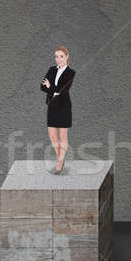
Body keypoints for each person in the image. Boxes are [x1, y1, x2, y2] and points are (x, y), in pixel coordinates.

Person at [40, 46, 76, 174]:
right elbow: (42, 86)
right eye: (56, 56)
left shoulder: (71, 72)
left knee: (63, 136)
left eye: (61, 56)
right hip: (52, 106)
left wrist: (51, 87)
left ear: (67, 56)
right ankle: (59, 157)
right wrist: (52, 89)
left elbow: (62, 90)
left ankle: (60, 161)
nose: (58, 59)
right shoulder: (51, 69)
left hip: (63, 107)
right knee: (52, 136)